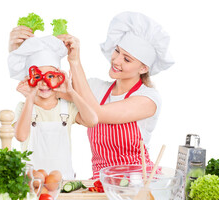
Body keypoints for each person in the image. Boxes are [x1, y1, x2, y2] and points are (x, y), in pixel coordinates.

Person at [57, 12, 174, 179]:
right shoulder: (97, 88)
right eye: (117, 51)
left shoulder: (148, 99)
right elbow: (47, 87)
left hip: (137, 185)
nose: (116, 60)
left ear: (143, 68)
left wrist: (75, 61)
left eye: (127, 59)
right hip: (100, 183)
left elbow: (96, 114)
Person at [8, 34, 98, 180]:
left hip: (64, 181)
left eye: (50, 76)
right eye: (38, 77)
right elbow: (21, 136)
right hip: (32, 183)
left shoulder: (66, 107)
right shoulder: (24, 107)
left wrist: (71, 91)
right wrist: (30, 98)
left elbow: (92, 120)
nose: (44, 83)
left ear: (59, 77)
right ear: (29, 79)